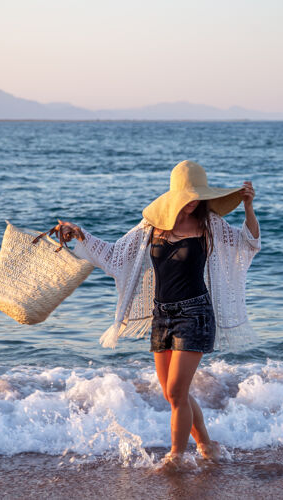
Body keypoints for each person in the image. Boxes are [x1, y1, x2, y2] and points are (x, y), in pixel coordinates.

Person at [55, 160, 260, 469]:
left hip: (195, 314)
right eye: (188, 195)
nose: (193, 202)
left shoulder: (210, 225)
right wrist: (78, 233)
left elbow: (248, 242)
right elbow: (114, 255)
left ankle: (176, 456)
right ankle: (206, 444)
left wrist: (248, 208)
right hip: (161, 315)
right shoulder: (152, 226)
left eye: (198, 196)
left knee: (177, 391)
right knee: (171, 393)